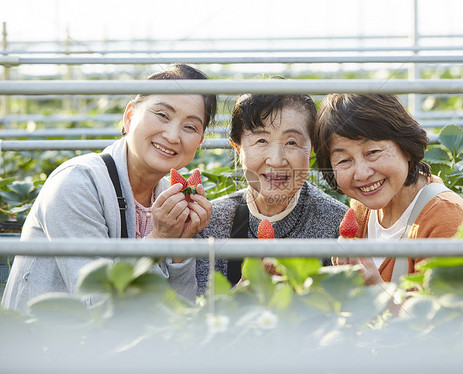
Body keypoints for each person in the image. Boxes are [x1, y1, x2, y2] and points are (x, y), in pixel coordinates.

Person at [2, 63, 217, 314]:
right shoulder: (77, 183)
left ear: (199, 142)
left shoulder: (169, 198)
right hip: (45, 346)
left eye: (190, 127)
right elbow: (98, 305)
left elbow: (179, 313)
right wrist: (159, 240)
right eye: (162, 115)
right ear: (129, 117)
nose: (172, 135)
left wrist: (180, 248)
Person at [196, 91, 349, 296]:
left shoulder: (337, 224)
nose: (276, 160)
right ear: (238, 148)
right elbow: (197, 318)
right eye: (262, 141)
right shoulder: (209, 223)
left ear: (311, 148)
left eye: (291, 142)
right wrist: (244, 292)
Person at [314, 93, 463, 285]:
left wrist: (375, 287)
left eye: (373, 152)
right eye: (344, 160)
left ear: (405, 147)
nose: (362, 174)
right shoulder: (361, 209)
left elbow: (447, 313)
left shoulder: (446, 217)